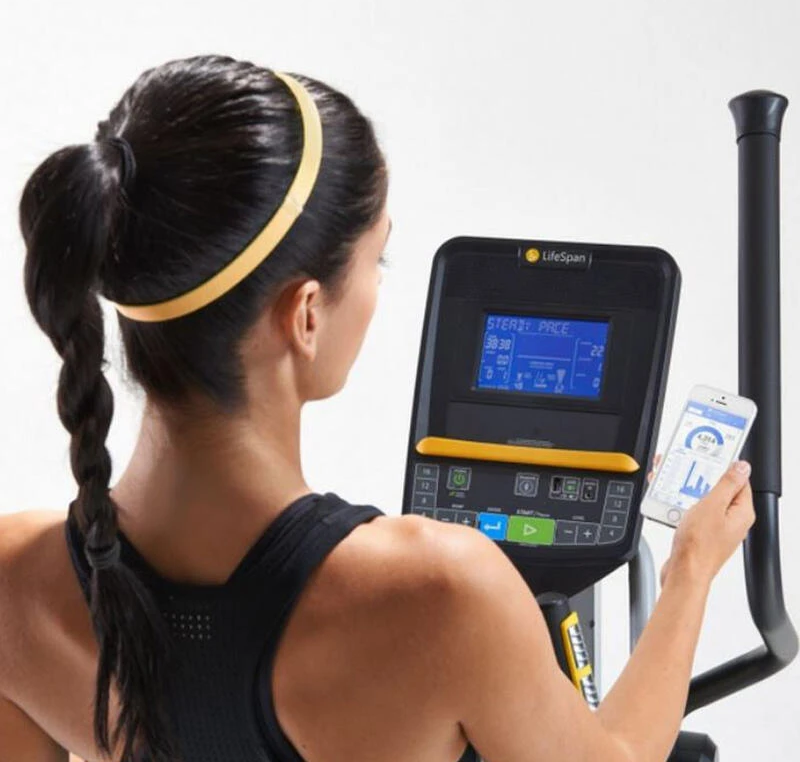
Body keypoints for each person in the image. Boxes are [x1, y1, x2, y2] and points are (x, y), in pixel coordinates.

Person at [0, 54, 755, 762]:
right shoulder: (444, 591)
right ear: (305, 314)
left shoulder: (13, 580)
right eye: (377, 258)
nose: (378, 287)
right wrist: (690, 570)